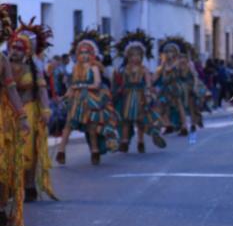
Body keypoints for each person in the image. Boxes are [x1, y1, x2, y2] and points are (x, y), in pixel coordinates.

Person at [7, 19, 58, 204]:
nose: (15, 51)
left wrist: (45, 110)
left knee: (28, 150)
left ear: (27, 50)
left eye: (20, 48)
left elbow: (43, 91)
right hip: (7, 112)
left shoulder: (35, 69)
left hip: (29, 110)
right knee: (8, 149)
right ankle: (11, 185)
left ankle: (29, 185)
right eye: (14, 46)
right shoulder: (5, 65)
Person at [55, 30, 119, 165]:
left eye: (87, 53)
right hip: (77, 100)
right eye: (81, 53)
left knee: (91, 126)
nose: (84, 56)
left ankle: (95, 151)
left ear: (92, 54)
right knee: (68, 124)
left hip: (91, 99)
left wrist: (81, 86)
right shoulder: (75, 68)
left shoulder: (94, 67)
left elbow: (96, 84)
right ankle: (61, 151)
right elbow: (72, 85)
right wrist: (64, 96)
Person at [0, 6, 31, 226]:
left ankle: (1, 207)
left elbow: (11, 90)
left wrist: (22, 116)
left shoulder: (2, 60)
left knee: (2, 163)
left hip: (2, 118)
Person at [113, 30, 166, 153]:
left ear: (142, 56)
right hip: (127, 96)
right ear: (128, 56)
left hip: (139, 95)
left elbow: (148, 83)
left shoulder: (144, 69)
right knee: (125, 119)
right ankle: (125, 141)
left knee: (140, 120)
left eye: (138, 55)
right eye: (132, 55)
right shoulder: (124, 69)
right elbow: (121, 82)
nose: (135, 58)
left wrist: (148, 94)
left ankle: (140, 141)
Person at [154, 36, 188, 135]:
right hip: (165, 87)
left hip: (175, 86)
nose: (169, 54)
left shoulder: (177, 62)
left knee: (179, 105)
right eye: (167, 52)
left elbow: (171, 70)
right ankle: (167, 124)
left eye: (171, 52)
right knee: (162, 105)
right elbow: (159, 73)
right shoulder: (164, 63)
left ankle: (184, 125)